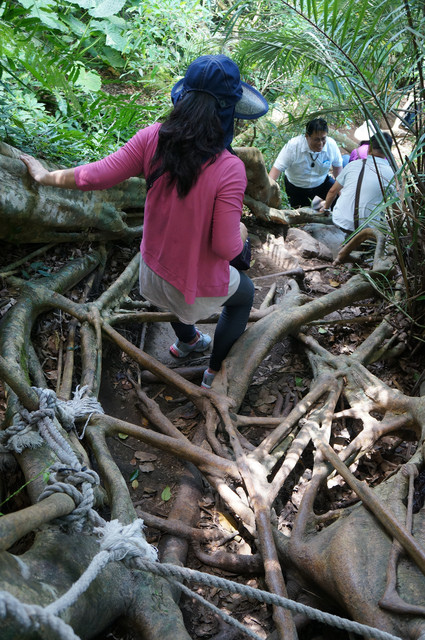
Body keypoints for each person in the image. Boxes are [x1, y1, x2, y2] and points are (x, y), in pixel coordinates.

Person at [20, 54, 269, 389]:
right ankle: (214, 373)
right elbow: (226, 247)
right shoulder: (229, 168)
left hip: (151, 276)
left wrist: (45, 175)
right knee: (245, 294)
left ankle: (188, 341)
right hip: (192, 289)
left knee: (173, 292)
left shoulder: (152, 138)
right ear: (229, 112)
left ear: (184, 100)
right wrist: (241, 231)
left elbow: (95, 175)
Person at [319, 132, 395, 234]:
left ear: (369, 148)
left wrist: (326, 209)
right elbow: (396, 206)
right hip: (367, 228)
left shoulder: (352, 165)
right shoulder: (391, 174)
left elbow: (332, 191)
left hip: (341, 221)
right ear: (388, 152)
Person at [268, 118, 343, 208]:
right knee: (302, 212)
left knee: (338, 200)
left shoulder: (331, 145)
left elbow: (338, 169)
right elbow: (275, 171)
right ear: (307, 136)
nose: (320, 144)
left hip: (321, 183)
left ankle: (322, 208)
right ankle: (315, 207)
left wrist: (342, 193)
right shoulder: (293, 146)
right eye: (316, 140)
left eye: (323, 139)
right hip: (297, 188)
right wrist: (267, 192)